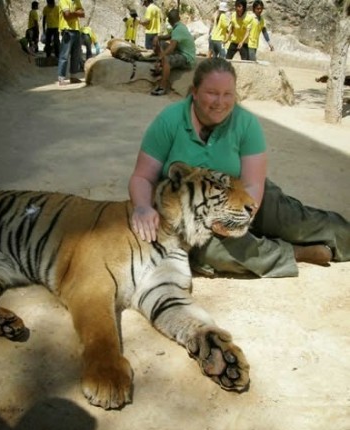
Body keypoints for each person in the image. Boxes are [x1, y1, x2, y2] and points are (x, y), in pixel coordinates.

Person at [128, 57, 350, 278]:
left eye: (228, 94)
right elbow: (142, 177)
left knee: (296, 222)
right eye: (212, 93)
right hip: (195, 212)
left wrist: (241, 219)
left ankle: (343, 237)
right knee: (213, 253)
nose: (220, 102)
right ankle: (296, 253)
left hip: (245, 196)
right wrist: (143, 207)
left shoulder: (246, 123)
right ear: (194, 91)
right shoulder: (170, 120)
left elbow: (253, 183)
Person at [150, 9, 196, 96]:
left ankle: (162, 87)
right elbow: (169, 36)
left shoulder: (178, 29)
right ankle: (161, 65)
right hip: (182, 53)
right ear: (179, 18)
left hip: (187, 58)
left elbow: (171, 47)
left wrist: (160, 58)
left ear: (169, 21)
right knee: (162, 44)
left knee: (166, 59)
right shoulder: (180, 26)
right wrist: (158, 37)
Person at [57, 0, 85, 85]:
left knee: (76, 55)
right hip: (67, 30)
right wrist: (77, 13)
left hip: (76, 30)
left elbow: (83, 14)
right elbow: (67, 16)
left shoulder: (77, 1)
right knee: (64, 55)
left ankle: (73, 76)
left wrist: (73, 13)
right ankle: (61, 78)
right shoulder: (63, 1)